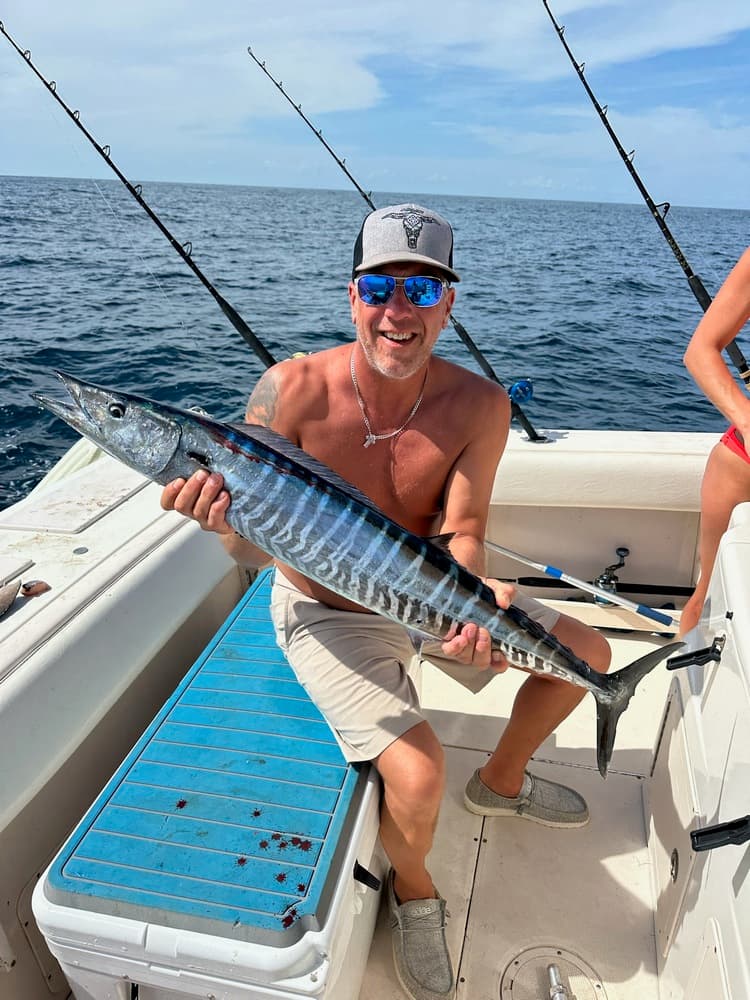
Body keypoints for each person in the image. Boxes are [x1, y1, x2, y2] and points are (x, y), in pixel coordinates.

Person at [160, 203, 611, 1000]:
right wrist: (220, 523)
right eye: (380, 288)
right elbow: (248, 548)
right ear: (352, 295)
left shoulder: (480, 405)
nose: (398, 311)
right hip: (326, 612)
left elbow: (464, 529)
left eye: (422, 290)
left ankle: (501, 784)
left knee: (592, 658)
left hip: (433, 597)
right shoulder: (290, 389)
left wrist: (471, 599)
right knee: (418, 774)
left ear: (449, 304)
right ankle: (414, 891)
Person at [680, 247, 750, 637]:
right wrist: (747, 420)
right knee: (709, 595)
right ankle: (677, 693)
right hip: (743, 464)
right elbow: (700, 351)